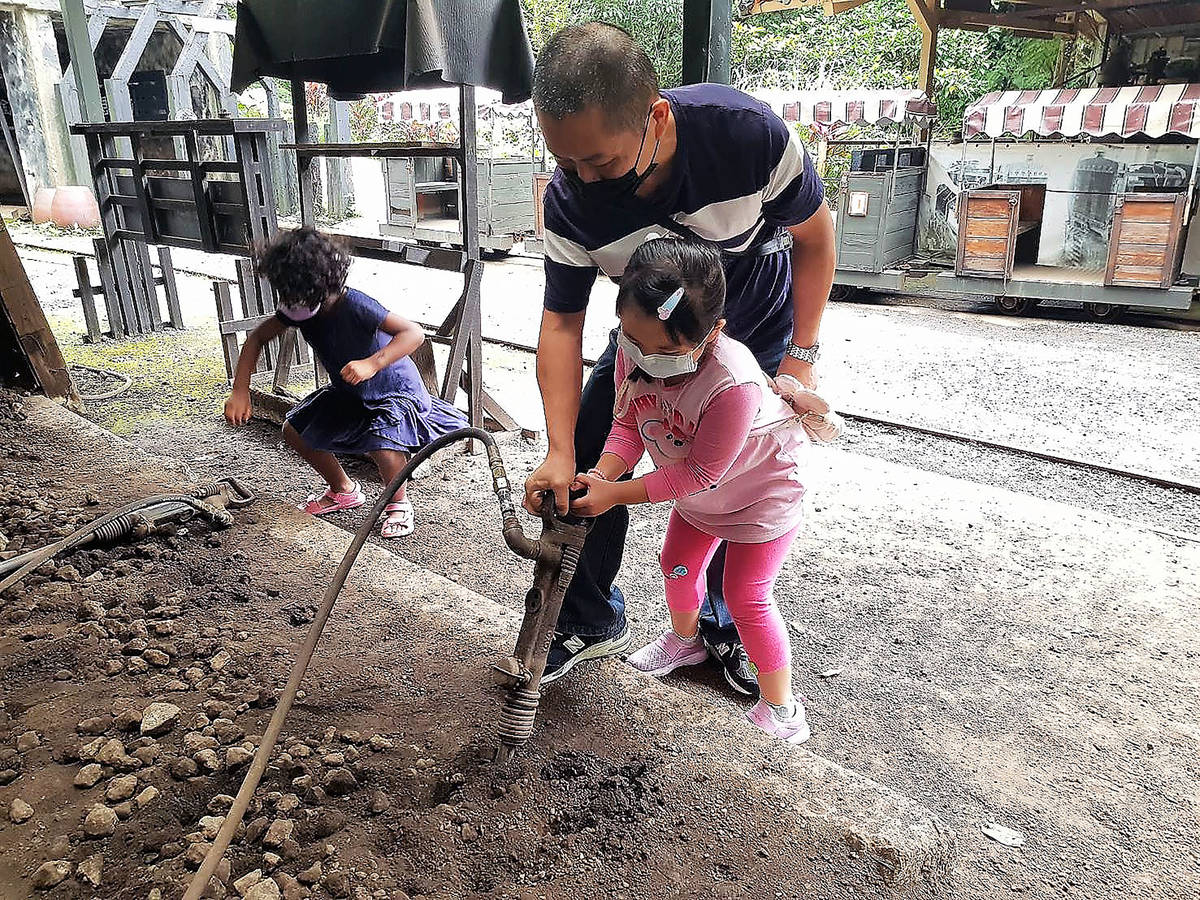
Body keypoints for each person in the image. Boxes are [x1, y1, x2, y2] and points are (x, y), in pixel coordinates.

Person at [524, 23, 836, 690]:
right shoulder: (570, 201)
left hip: (751, 332)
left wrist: (801, 357)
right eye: (565, 162)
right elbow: (561, 324)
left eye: (599, 163)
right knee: (583, 457)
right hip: (643, 335)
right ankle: (587, 616)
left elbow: (814, 235)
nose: (580, 180)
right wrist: (556, 449)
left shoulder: (744, 136)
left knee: (737, 477)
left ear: (656, 117)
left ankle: (721, 629)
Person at [570, 238, 810, 743]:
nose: (647, 358)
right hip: (700, 497)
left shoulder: (733, 384)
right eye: (635, 341)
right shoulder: (631, 351)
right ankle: (685, 641)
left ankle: (782, 706)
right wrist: (604, 474)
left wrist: (615, 495)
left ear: (713, 332)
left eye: (667, 350)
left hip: (761, 496)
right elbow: (629, 419)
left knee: (747, 597)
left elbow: (700, 472)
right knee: (675, 565)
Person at [224, 227, 467, 537]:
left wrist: (372, 363)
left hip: (394, 390)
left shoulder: (354, 304)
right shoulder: (298, 307)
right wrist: (240, 389)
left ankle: (399, 503)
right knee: (295, 430)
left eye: (294, 292)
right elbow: (257, 338)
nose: (289, 300)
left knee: (382, 441)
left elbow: (413, 333)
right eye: (285, 293)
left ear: (320, 283)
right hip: (351, 390)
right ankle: (343, 489)